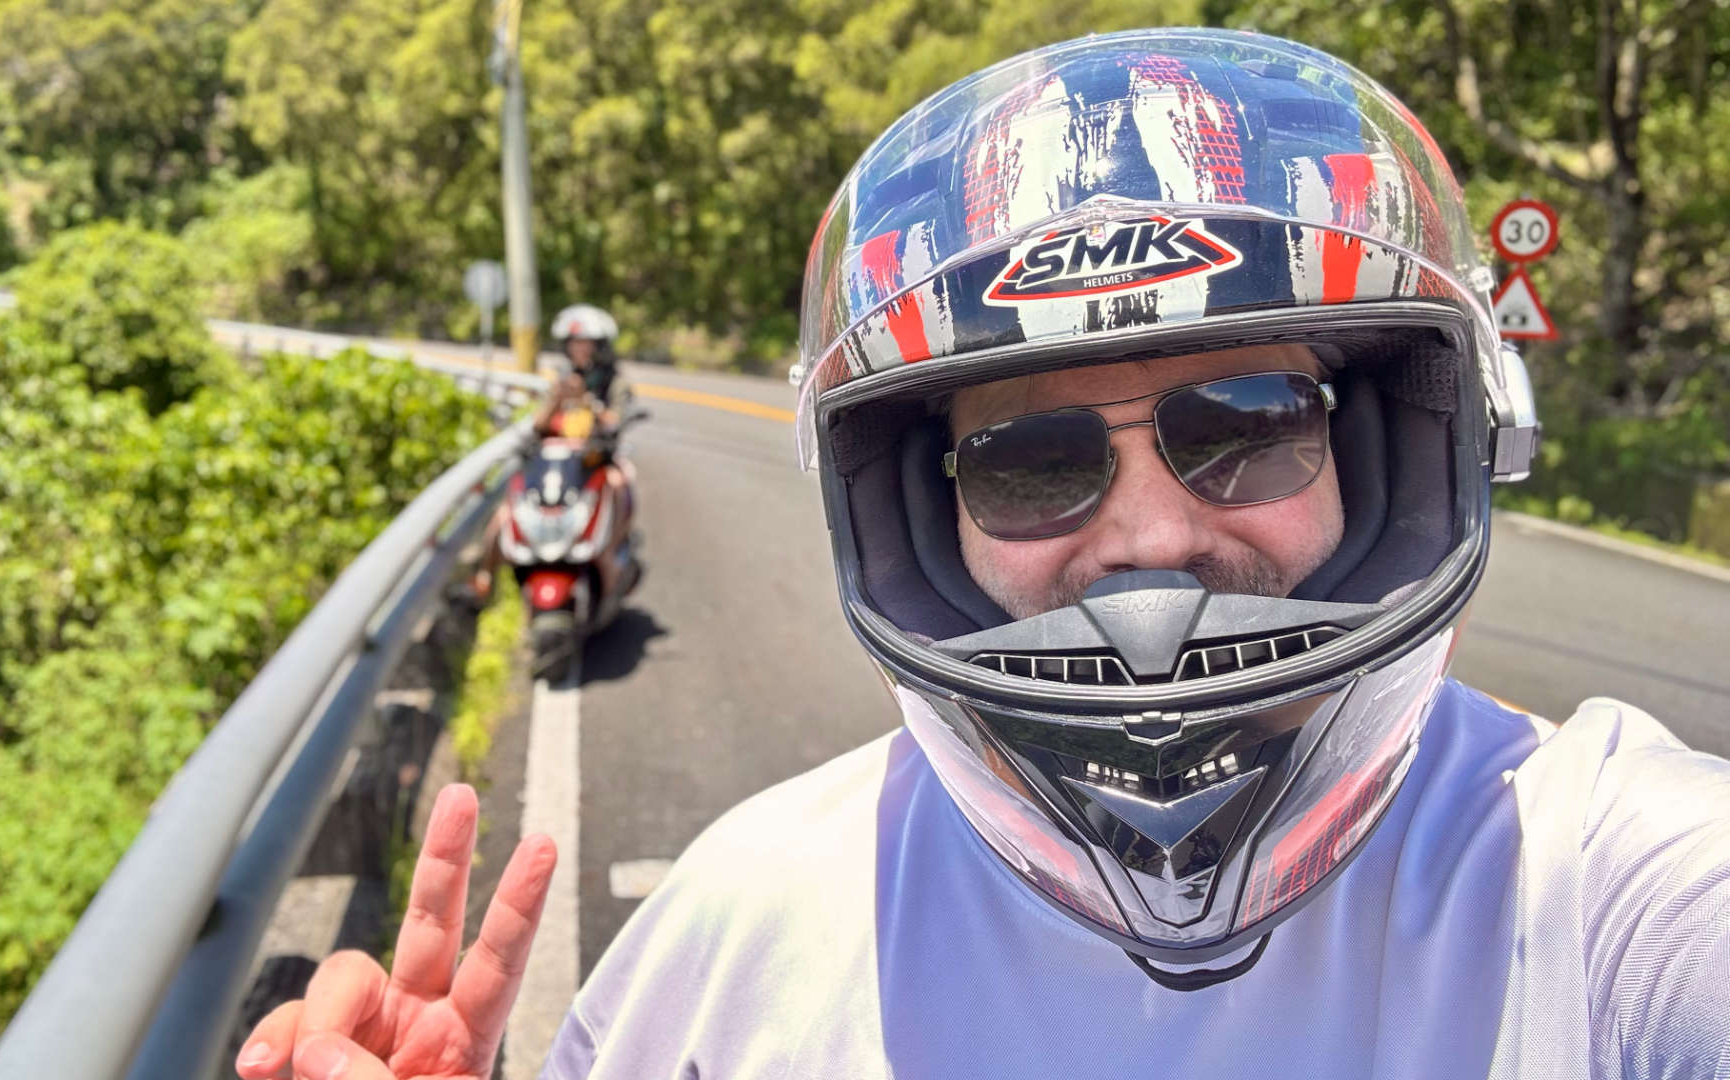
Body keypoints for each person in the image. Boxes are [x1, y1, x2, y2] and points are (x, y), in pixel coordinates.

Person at [236, 29, 1730, 1080]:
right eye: (1030, 462)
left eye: (1251, 424)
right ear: (920, 513)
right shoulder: (743, 922)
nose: (1150, 541)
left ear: (1403, 447)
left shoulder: (1602, 885)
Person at [475, 303, 640, 604]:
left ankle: (611, 554)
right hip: (558, 464)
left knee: (620, 484)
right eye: (574, 343)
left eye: (586, 343)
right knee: (506, 511)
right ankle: (485, 578)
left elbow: (616, 421)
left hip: (596, 461)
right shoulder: (562, 378)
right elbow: (538, 426)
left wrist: (588, 401)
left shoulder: (613, 382)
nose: (580, 349)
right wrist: (557, 397)